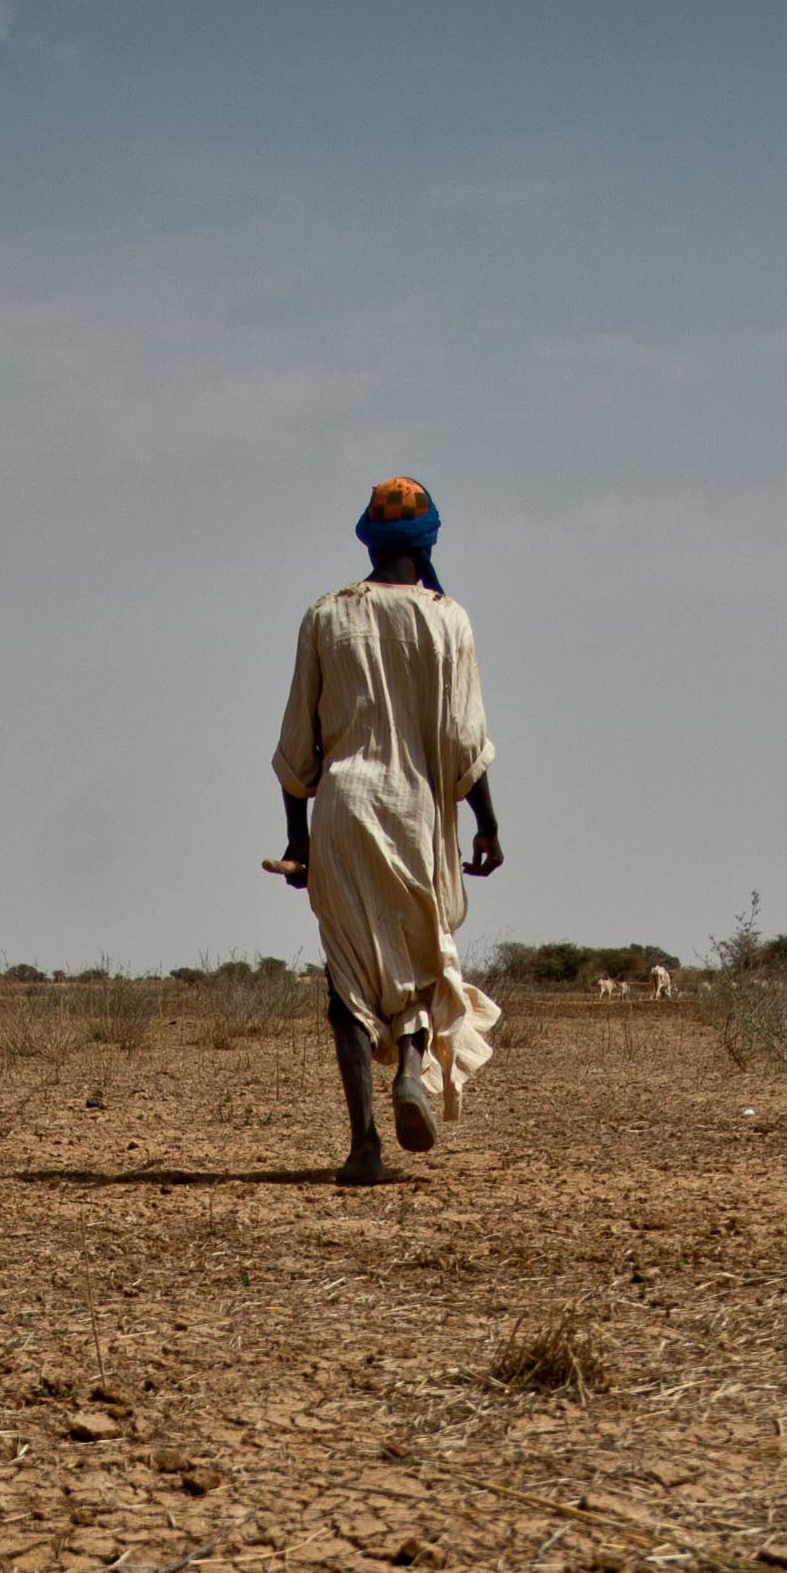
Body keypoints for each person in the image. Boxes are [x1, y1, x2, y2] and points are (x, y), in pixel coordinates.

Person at [268, 477, 502, 1185]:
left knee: (348, 977)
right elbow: (465, 743)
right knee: (424, 959)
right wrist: (487, 823)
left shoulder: (326, 615)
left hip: (341, 808)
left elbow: (296, 744)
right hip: (417, 812)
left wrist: (297, 837)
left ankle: (363, 1144)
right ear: (429, 541)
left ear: (367, 540)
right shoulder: (448, 619)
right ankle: (409, 1069)